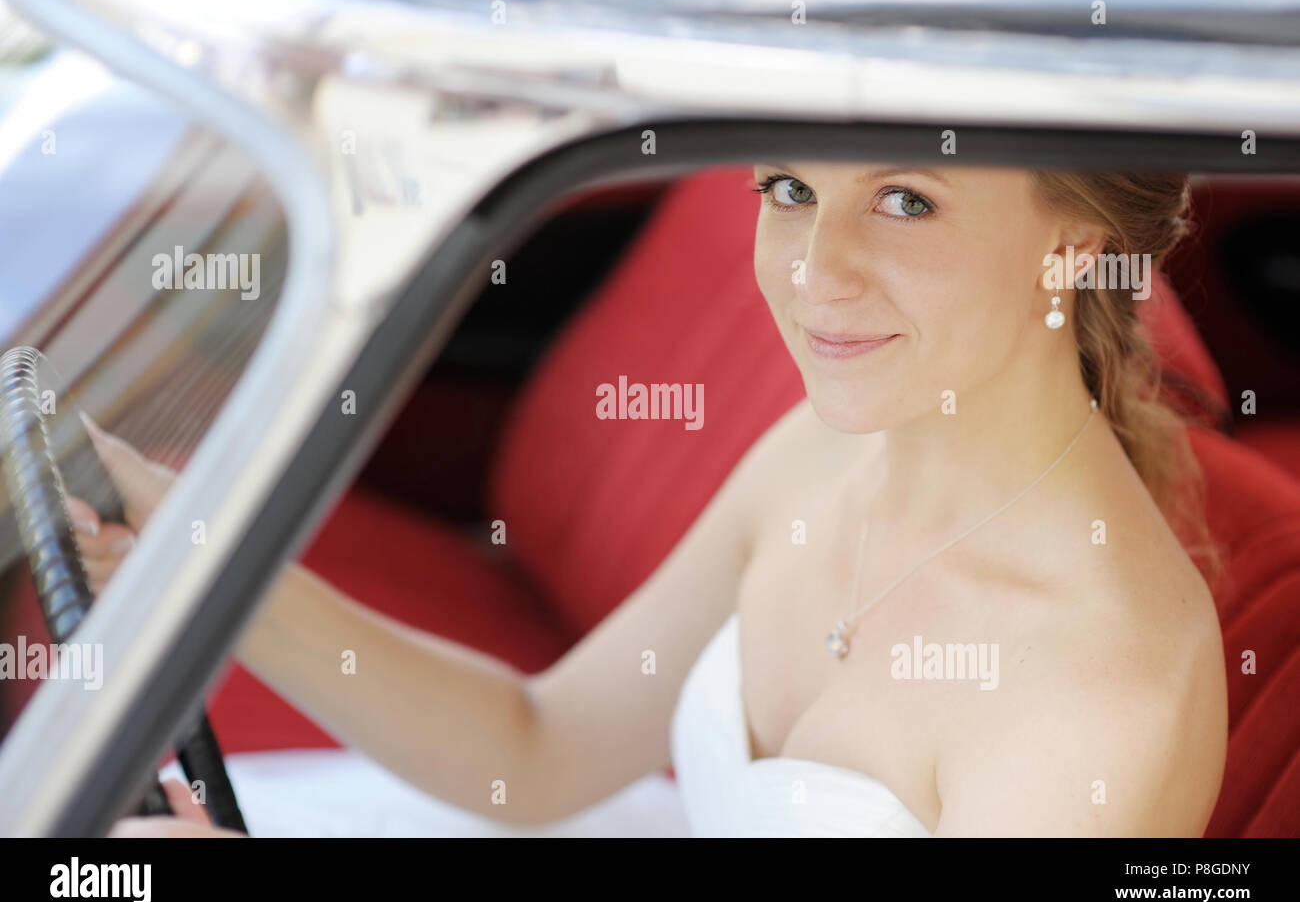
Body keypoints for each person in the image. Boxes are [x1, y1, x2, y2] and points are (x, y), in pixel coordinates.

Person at [74, 162, 1228, 837]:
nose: (812, 270)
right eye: (786, 188)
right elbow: (535, 752)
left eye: (906, 202)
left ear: (1075, 248)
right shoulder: (819, 456)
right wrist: (205, 575)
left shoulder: (1096, 697)